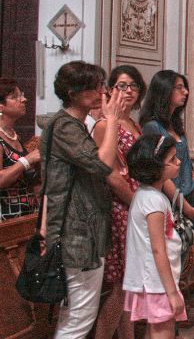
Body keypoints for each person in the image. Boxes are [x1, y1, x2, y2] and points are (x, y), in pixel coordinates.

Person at [42, 61, 127, 339]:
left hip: (84, 229)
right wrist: (112, 119)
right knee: (80, 316)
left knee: (77, 313)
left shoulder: (74, 124)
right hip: (76, 232)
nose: (101, 91)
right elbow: (102, 164)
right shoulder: (65, 126)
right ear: (72, 92)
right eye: (93, 87)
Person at [93, 66, 146, 339]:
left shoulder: (134, 124)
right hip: (122, 206)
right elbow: (111, 175)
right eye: (122, 86)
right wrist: (138, 204)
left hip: (137, 204)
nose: (128, 92)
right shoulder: (105, 125)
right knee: (121, 285)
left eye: (133, 86)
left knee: (131, 284)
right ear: (111, 89)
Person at [122, 134, 187, 339]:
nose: (178, 162)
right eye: (172, 160)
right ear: (156, 167)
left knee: (154, 331)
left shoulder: (147, 195)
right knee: (163, 331)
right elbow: (158, 250)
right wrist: (172, 292)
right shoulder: (153, 202)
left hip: (153, 280)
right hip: (156, 283)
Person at [140, 71, 194, 223]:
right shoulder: (152, 127)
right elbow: (160, 173)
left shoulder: (175, 124)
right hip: (171, 199)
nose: (186, 92)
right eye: (179, 87)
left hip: (188, 195)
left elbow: (187, 163)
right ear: (165, 90)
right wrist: (187, 209)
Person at [0, 78, 40, 220]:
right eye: (15, 97)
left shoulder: (13, 135)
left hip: (25, 214)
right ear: (1, 106)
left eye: (21, 94)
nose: (24, 99)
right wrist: (27, 160)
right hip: (6, 217)